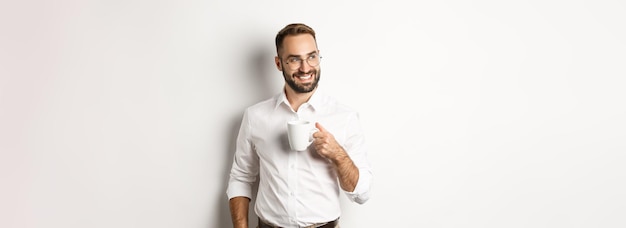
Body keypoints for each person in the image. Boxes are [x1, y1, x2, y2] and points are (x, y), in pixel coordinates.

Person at [226, 23, 372, 228]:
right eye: (294, 59)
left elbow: (362, 194)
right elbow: (240, 177)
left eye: (311, 57)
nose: (305, 68)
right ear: (279, 63)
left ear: (319, 56)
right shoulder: (255, 116)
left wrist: (338, 154)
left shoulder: (344, 116)